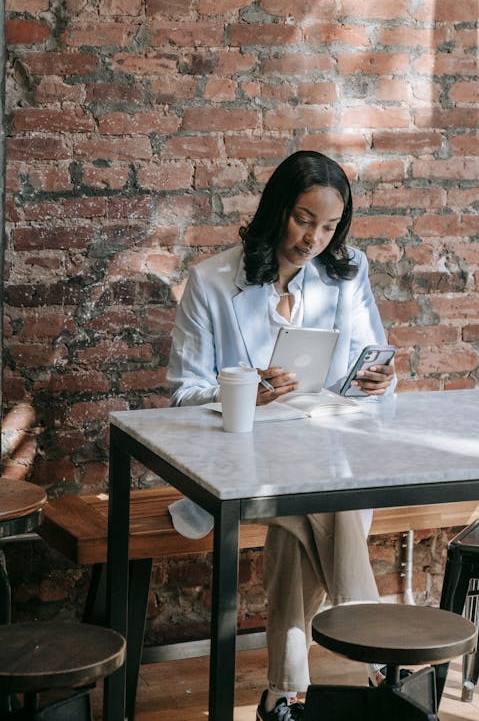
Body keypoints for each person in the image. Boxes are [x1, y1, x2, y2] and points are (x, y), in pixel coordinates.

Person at [166, 151, 396, 721]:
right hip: (240, 463)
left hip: (325, 451)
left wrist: (378, 379)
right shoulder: (212, 282)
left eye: (328, 226)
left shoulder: (346, 273)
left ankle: (283, 694)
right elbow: (183, 393)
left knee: (303, 520)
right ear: (276, 211)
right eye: (302, 219)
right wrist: (242, 390)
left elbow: (366, 373)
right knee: (333, 504)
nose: (313, 238)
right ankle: (379, 647)